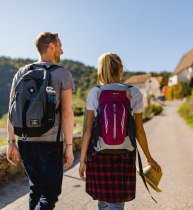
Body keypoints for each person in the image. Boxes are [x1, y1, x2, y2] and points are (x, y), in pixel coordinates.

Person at [79, 52, 161, 210]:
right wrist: (149, 158)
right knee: (116, 202)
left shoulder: (95, 93)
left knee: (103, 199)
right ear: (121, 69)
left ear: (100, 71)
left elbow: (87, 130)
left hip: (99, 154)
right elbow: (139, 131)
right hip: (124, 154)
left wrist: (82, 160)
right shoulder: (133, 93)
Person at [6, 32, 75, 210]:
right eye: (60, 45)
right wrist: (69, 147)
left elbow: (12, 110)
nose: (62, 50)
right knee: (49, 194)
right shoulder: (62, 74)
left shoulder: (21, 72)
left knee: (35, 190)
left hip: (26, 142)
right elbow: (67, 113)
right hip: (50, 144)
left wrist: (11, 142)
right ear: (51, 46)